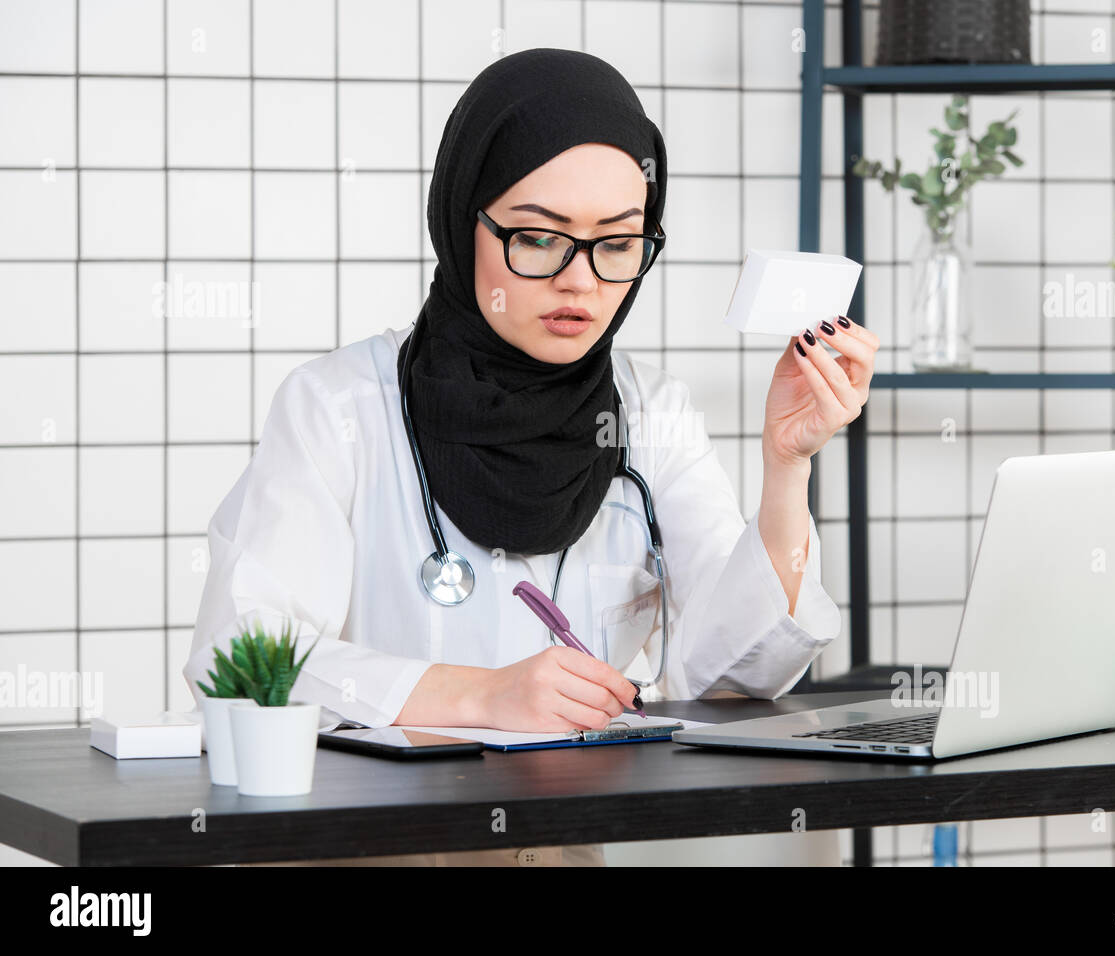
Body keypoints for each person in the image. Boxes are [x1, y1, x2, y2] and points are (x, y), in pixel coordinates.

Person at [183, 47, 880, 867]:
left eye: (618, 244)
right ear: (461, 218)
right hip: (380, 849)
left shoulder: (649, 415)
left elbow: (732, 673)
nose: (581, 283)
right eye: (540, 238)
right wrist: (479, 694)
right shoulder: (340, 408)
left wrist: (787, 465)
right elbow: (242, 662)